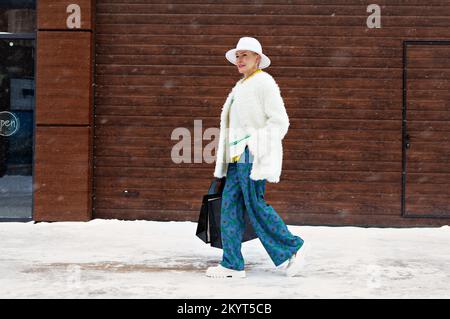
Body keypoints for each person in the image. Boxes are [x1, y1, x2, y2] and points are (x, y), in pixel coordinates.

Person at [206, 37, 310, 278]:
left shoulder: (264, 83)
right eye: (238, 56)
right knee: (229, 208)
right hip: (235, 157)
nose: (240, 60)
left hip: (250, 154)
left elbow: (280, 122)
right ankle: (232, 264)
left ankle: (293, 247)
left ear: (258, 59)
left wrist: (255, 145)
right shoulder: (240, 86)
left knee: (254, 204)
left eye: (246, 55)